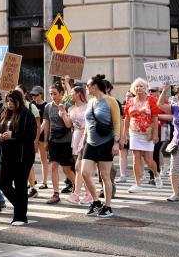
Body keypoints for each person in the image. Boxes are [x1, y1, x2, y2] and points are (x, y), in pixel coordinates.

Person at [80, 75, 121, 218]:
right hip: (90, 143)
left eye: (88, 86)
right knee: (84, 172)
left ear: (95, 87)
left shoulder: (111, 101)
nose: (86, 88)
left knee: (104, 175)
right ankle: (96, 201)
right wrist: (83, 140)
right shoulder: (91, 102)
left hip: (106, 142)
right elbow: (88, 123)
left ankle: (108, 206)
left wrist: (116, 143)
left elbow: (117, 123)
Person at [0, 89, 37, 225]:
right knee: (3, 184)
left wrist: (13, 135)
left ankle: (20, 216)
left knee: (20, 186)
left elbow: (31, 136)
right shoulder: (4, 114)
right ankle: (20, 206)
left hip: (22, 156)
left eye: (12, 101)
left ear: (19, 101)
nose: (9, 104)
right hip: (6, 155)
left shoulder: (27, 115)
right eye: (7, 101)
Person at [123, 78, 170, 193]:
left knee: (148, 159)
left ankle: (156, 175)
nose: (139, 88)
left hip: (147, 132)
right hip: (134, 132)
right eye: (137, 86)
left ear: (145, 88)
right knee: (135, 157)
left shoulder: (151, 100)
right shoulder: (130, 101)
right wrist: (125, 133)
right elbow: (127, 118)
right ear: (134, 89)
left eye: (141, 86)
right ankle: (137, 184)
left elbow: (155, 118)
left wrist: (155, 134)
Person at [40, 83, 74, 204]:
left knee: (66, 169)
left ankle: (80, 187)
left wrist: (63, 112)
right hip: (53, 141)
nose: (53, 96)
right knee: (53, 166)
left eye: (55, 93)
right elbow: (46, 124)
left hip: (66, 141)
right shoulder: (48, 107)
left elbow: (70, 124)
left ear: (61, 93)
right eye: (51, 94)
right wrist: (45, 141)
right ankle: (55, 193)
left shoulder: (68, 105)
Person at [67, 84, 93, 205]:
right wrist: (62, 113)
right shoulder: (71, 108)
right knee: (79, 168)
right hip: (76, 136)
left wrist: (85, 127)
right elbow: (68, 124)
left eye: (72, 92)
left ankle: (78, 194)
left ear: (79, 94)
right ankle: (87, 194)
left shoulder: (88, 107)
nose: (70, 94)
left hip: (85, 136)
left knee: (80, 167)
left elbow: (92, 122)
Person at [26, 86, 48, 196]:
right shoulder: (31, 105)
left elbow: (44, 122)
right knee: (31, 160)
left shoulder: (45, 105)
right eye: (32, 95)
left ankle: (44, 182)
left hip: (42, 135)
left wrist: (38, 134)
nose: (34, 97)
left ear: (41, 95)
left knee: (43, 159)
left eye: (36, 95)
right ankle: (32, 181)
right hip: (33, 135)